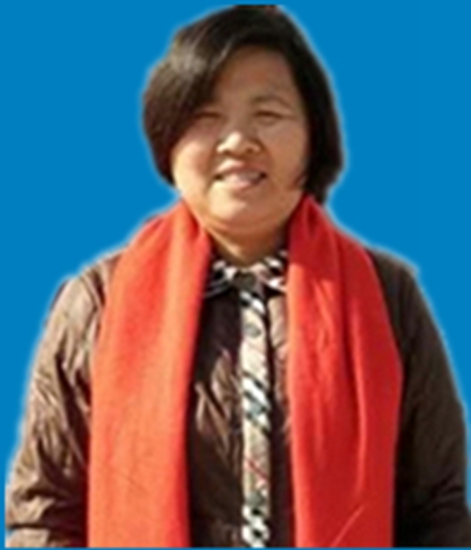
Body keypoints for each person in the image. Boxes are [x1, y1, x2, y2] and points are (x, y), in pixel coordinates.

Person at [5, 4, 471, 547]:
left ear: (313, 136)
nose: (237, 140)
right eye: (205, 116)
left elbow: (436, 509)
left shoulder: (386, 296)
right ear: (168, 139)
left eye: (267, 114)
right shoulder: (99, 301)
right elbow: (45, 513)